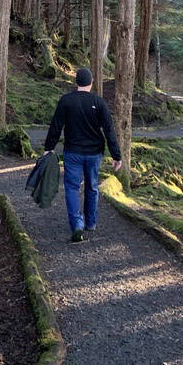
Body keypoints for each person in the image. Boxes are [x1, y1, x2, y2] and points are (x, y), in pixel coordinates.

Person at [44, 67, 122, 243]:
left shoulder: (66, 101)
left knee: (72, 188)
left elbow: (56, 126)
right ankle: (91, 223)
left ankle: (77, 225)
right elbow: (109, 130)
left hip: (72, 153)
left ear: (76, 82)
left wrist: (49, 147)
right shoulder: (99, 102)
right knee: (92, 187)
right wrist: (116, 155)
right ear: (91, 82)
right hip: (94, 154)